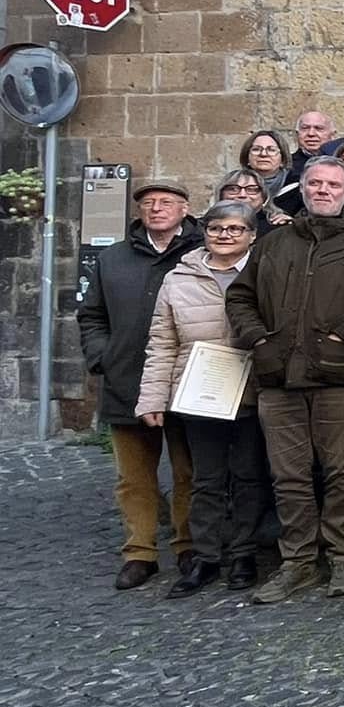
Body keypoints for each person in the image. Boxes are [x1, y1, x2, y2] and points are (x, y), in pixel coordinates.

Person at [227, 158, 344, 603]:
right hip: (278, 376)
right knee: (289, 475)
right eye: (315, 183)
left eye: (333, 184)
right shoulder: (274, 243)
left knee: (342, 471)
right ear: (301, 189)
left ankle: (342, 556)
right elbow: (240, 296)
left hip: (339, 375)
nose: (323, 190)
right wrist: (258, 340)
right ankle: (297, 561)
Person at [134, 200, 270, 597]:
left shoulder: (267, 273)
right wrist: (152, 398)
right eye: (216, 229)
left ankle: (244, 553)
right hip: (200, 393)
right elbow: (161, 343)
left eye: (234, 229)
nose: (224, 236)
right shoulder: (180, 278)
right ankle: (206, 557)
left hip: (251, 391)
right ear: (204, 232)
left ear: (252, 235)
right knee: (205, 480)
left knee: (248, 476)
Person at [81, 179, 204, 590]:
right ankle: (140, 552)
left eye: (166, 202)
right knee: (134, 476)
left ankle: (188, 545)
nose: (156, 209)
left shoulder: (202, 252)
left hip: (186, 380)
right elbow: (92, 315)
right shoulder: (113, 258)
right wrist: (103, 356)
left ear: (185, 209)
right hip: (126, 379)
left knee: (189, 471)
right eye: (148, 203)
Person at [239, 130, 293, 202]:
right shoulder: (234, 186)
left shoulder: (295, 186)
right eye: (256, 149)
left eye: (271, 150)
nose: (263, 154)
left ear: (283, 159)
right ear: (247, 158)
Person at [289, 111, 336, 179]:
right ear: (297, 134)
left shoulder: (343, 162)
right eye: (305, 128)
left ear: (332, 134)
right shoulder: (286, 165)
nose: (311, 134)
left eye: (319, 128)